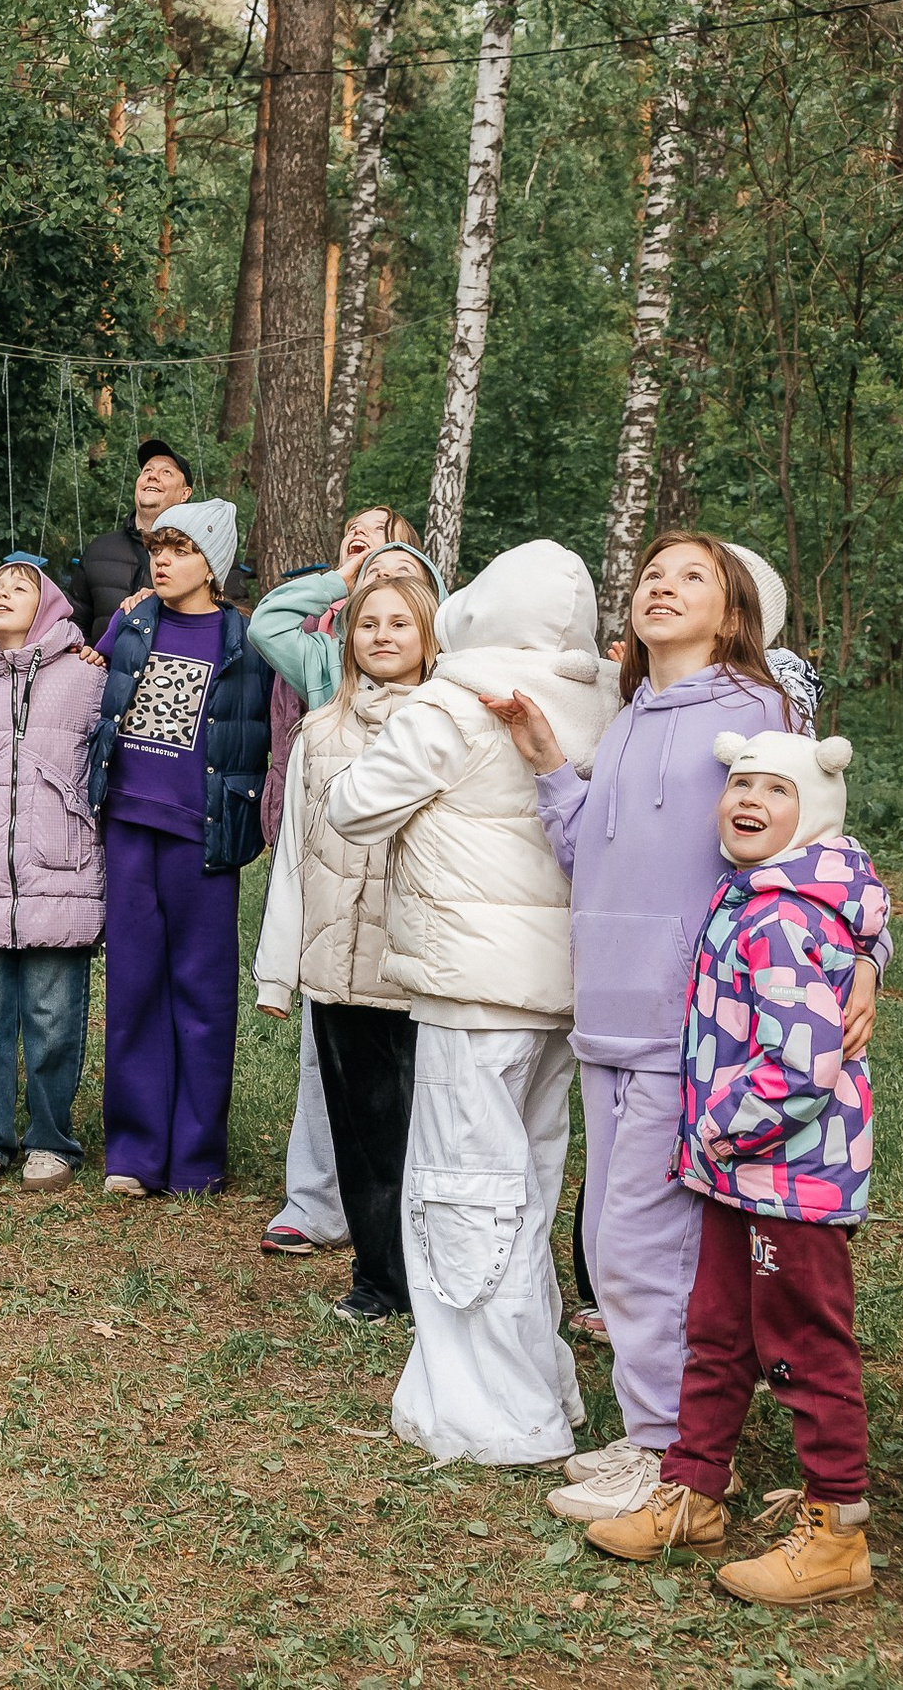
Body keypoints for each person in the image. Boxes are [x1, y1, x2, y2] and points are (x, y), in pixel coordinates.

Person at [484, 532, 881, 1523]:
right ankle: (654, 1432)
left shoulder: (757, 716)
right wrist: (546, 763)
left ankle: (671, 1458)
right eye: (650, 576)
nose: (660, 588)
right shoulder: (627, 717)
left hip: (696, 1035)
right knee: (623, 1240)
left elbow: (822, 849)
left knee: (634, 1248)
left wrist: (868, 954)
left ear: (733, 613)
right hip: (604, 1020)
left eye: (689, 577)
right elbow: (590, 849)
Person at [326, 538, 619, 1465]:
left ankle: (490, 1409)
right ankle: (542, 1380)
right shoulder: (607, 697)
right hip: (558, 988)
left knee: (461, 1190)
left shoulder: (451, 703)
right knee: (529, 1187)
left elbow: (354, 806)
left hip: (471, 983)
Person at [583, 730, 885, 1605]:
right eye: (740, 783)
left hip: (788, 1177)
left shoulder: (787, 915)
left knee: (802, 1342)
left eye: (776, 790)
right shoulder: (753, 892)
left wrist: (714, 1131)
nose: (749, 799)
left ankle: (837, 1529)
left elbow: (800, 1068)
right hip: (739, 1172)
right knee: (715, 1330)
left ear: (815, 814)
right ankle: (695, 1490)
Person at [248, 512, 439, 1257]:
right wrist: (354, 570)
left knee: (417, 1080)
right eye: (372, 607)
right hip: (334, 910)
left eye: (407, 591)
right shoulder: (326, 680)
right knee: (326, 1067)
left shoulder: (452, 709)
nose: (386, 615)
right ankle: (317, 1200)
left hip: (412, 925)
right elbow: (268, 622)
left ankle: (411, 1225)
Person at [87, 498, 273, 1197]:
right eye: (157, 547)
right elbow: (88, 673)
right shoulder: (133, 621)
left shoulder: (246, 639)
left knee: (201, 992)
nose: (162, 560)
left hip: (204, 837)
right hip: (130, 825)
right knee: (134, 988)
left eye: (180, 548)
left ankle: (196, 1156)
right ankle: (133, 1153)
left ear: (213, 565)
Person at [0, 559, 104, 1193]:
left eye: (20, 588)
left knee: (53, 1015)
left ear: (50, 607)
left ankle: (51, 1139)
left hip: (61, 873)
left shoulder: (87, 677)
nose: (3, 596)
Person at [67, 438, 192, 625]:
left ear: (185, 494)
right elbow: (73, 622)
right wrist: (82, 650)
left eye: (166, 472)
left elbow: (233, 620)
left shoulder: (201, 552)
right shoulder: (99, 549)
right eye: (147, 470)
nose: (153, 476)